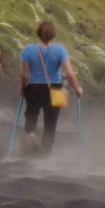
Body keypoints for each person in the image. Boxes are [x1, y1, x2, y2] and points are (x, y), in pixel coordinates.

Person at [19, 20, 82, 153]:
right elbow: (70, 74)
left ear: (38, 34)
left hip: (34, 87)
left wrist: (23, 89)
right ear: (53, 34)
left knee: (31, 114)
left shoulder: (29, 50)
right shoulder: (60, 50)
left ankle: (30, 136)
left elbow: (25, 75)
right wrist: (77, 89)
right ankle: (46, 152)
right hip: (55, 88)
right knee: (51, 122)